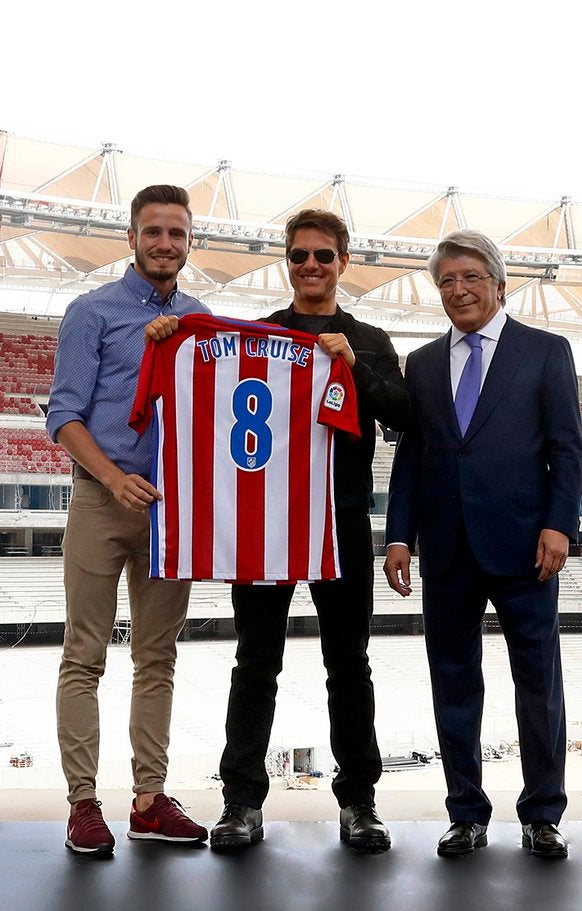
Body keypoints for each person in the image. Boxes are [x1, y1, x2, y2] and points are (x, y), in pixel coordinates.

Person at [206, 209, 413, 853]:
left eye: (324, 256)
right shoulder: (256, 334)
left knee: (348, 665)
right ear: (286, 263)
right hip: (267, 520)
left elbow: (405, 415)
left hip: (343, 519)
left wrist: (353, 366)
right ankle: (241, 802)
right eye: (300, 256)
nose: (312, 266)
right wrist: (167, 338)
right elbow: (207, 403)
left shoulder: (370, 339)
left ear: (343, 263)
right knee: (254, 664)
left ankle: (358, 803)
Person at [383, 229, 582, 858]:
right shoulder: (419, 364)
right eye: (446, 280)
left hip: (527, 546)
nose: (459, 289)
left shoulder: (546, 352)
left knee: (538, 683)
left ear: (499, 284)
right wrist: (398, 536)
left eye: (470, 276)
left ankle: (542, 815)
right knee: (453, 683)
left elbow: (566, 448)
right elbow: (413, 456)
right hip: (446, 549)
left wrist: (560, 525)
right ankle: (466, 813)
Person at [46, 185, 209, 856]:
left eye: (176, 232)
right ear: (133, 238)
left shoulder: (202, 319)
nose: (165, 242)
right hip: (100, 499)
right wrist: (114, 480)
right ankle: (83, 804)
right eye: (154, 231)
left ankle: (148, 798)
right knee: (84, 656)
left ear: (189, 240)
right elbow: (63, 415)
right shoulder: (91, 313)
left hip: (171, 511)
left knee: (157, 658)